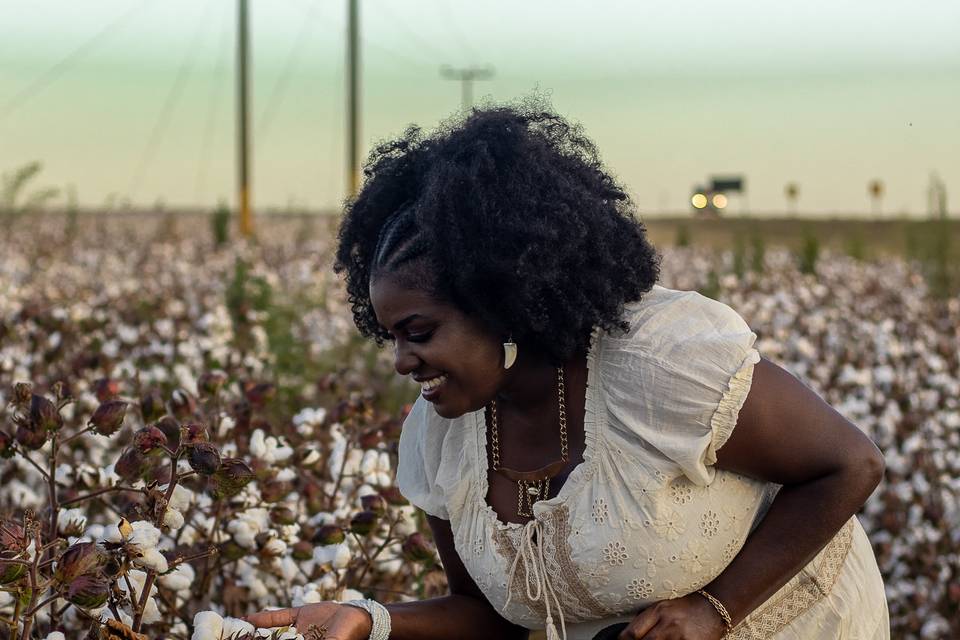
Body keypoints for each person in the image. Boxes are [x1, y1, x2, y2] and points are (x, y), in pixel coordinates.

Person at [245, 100, 889, 639]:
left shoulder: (658, 371)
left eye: (419, 333)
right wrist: (369, 619)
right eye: (390, 337)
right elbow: (488, 620)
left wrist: (712, 611)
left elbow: (849, 464)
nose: (400, 361)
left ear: (502, 302)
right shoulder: (442, 440)